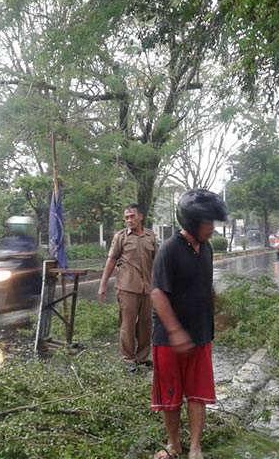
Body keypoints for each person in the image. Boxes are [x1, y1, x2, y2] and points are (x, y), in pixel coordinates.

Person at [150, 188, 227, 459]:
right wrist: (175, 331)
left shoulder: (206, 249)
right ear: (192, 223)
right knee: (171, 398)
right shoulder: (169, 250)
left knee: (198, 394)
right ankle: (174, 444)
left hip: (200, 334)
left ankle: (195, 447)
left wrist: (219, 312)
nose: (212, 229)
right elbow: (157, 293)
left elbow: (205, 286)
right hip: (169, 340)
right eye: (209, 223)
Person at [98, 204, 157, 373]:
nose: (129, 220)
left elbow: (155, 262)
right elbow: (111, 261)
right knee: (128, 324)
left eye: (132, 216)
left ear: (141, 217)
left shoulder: (150, 236)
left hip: (147, 288)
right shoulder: (121, 237)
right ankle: (128, 359)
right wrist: (102, 286)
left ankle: (143, 357)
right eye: (126, 217)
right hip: (127, 287)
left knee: (146, 323)